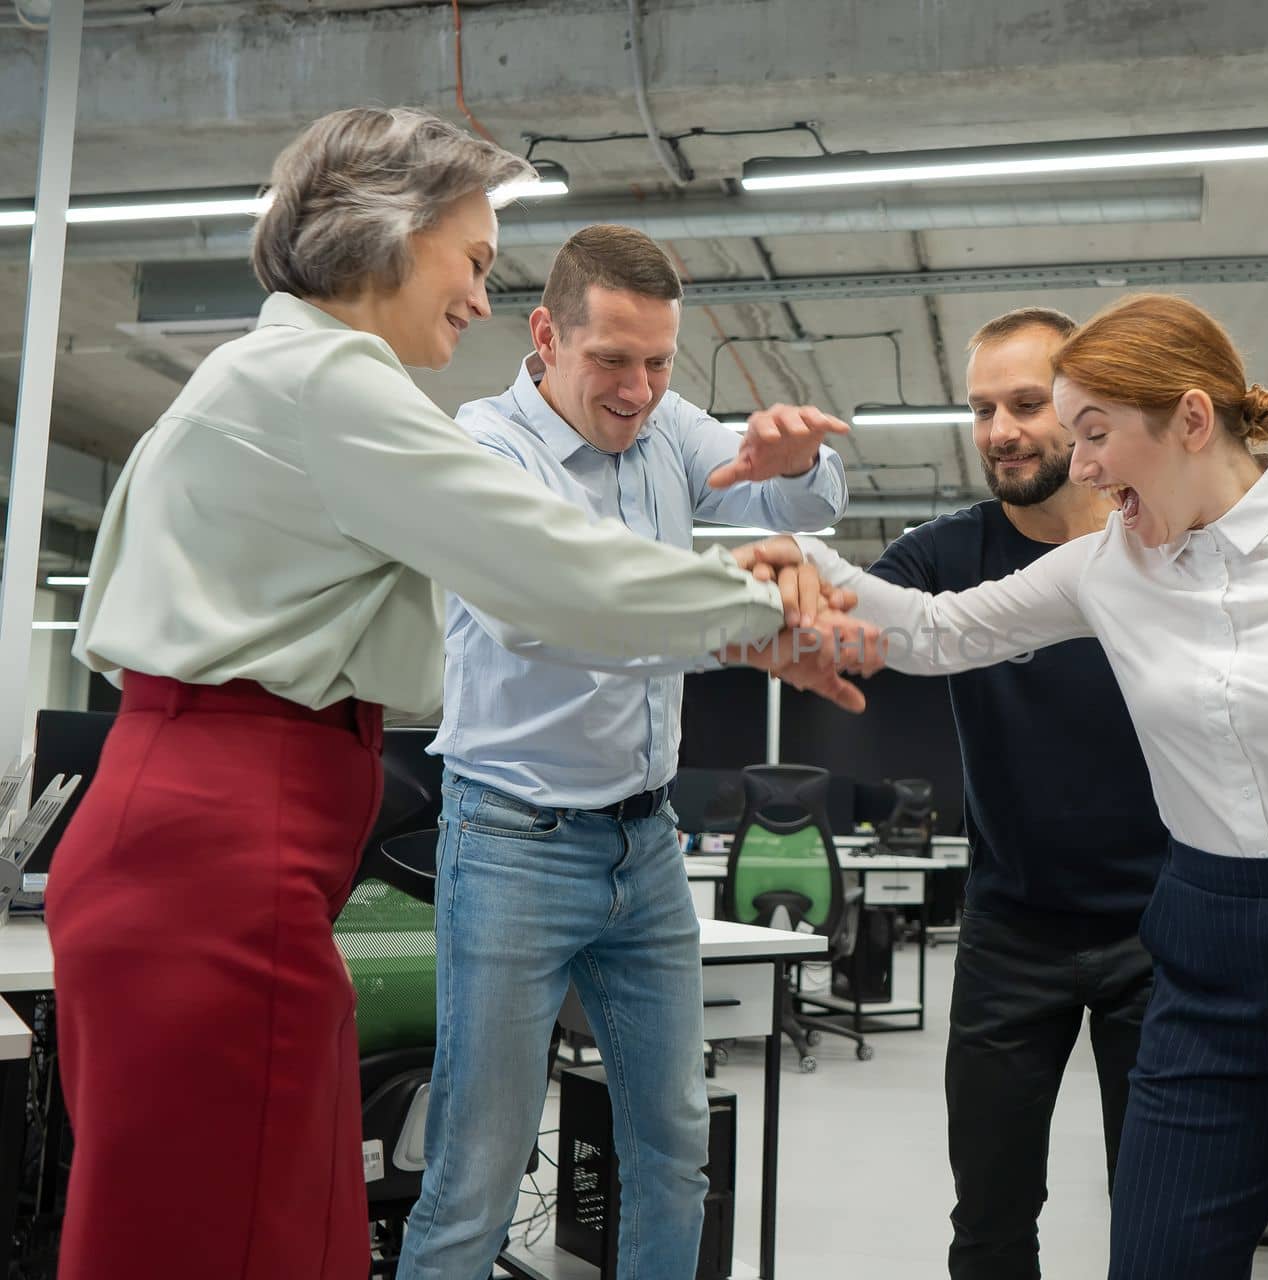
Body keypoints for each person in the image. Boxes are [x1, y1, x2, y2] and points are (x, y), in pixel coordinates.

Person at [43, 108, 853, 1280]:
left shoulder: (265, 371)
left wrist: (761, 568)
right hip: (231, 843)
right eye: (471, 259)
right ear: (389, 232)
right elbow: (549, 567)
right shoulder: (328, 383)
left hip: (215, 833)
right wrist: (768, 610)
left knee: (237, 1223)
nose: (478, 299)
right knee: (239, 1228)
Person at [743, 292, 1268, 1279]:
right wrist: (804, 555)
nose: (1080, 465)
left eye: (1095, 431)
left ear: (1187, 417)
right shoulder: (1105, 570)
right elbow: (934, 629)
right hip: (1210, 950)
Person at [396, 224, 849, 1280]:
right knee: (479, 1171)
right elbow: (548, 616)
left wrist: (799, 464)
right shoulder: (484, 447)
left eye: (658, 362)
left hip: (644, 847)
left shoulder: (664, 425)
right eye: (611, 360)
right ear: (545, 335)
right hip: (512, 839)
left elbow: (794, 504)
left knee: (674, 1148)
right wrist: (744, 617)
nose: (639, 390)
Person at [868, 306, 1167, 1279]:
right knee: (990, 1222)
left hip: (1166, 928)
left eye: (1026, 402)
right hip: (1011, 930)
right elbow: (859, 615)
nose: (1000, 429)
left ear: (1085, 408)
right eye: (982, 407)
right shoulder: (945, 552)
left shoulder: (1164, 541)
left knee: (1168, 1216)